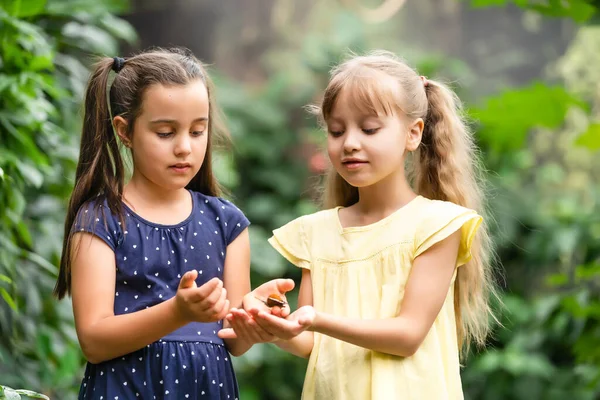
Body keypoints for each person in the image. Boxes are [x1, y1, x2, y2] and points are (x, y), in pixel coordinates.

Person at [220, 50, 499, 400]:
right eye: (337, 131)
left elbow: (407, 336)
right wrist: (273, 328)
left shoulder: (437, 225)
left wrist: (315, 318)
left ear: (413, 134)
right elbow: (309, 343)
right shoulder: (317, 232)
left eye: (369, 129)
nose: (350, 143)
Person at [54, 47, 292, 399]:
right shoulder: (101, 219)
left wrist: (255, 320)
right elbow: (93, 340)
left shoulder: (227, 223)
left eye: (198, 132)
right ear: (125, 131)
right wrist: (177, 312)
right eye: (166, 133)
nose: (184, 147)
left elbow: (233, 339)